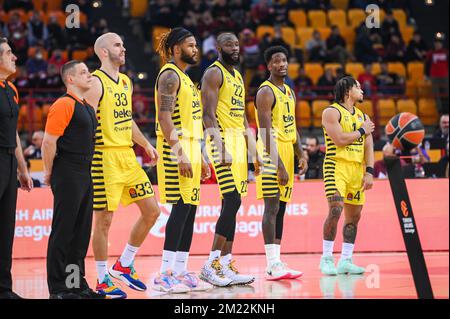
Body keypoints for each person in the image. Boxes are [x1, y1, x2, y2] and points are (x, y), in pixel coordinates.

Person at [84, 33, 161, 299]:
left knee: (152, 211)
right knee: (104, 220)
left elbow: (126, 121)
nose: (124, 48)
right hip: (104, 158)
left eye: (123, 43)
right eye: (118, 44)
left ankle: (124, 264)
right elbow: (86, 122)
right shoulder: (95, 82)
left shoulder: (126, 82)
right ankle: (103, 278)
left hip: (127, 157)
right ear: (103, 52)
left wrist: (146, 144)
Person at [153, 27, 211, 293]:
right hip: (174, 148)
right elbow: (165, 119)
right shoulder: (169, 75)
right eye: (190, 45)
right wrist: (180, 154)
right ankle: (164, 274)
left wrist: (200, 153)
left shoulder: (187, 78)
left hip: (191, 146)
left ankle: (179, 271)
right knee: (179, 208)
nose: (195, 49)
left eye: (196, 45)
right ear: (176, 49)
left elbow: (192, 120)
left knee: (190, 210)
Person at [200, 33, 261, 287]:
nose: (234, 48)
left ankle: (225, 263)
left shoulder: (237, 76)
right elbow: (208, 115)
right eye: (229, 44)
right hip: (222, 142)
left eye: (236, 44)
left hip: (239, 144)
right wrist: (220, 147)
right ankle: (210, 264)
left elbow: (244, 120)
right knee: (233, 199)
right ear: (218, 47)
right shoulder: (214, 73)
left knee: (232, 204)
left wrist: (254, 152)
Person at [42, 60, 103, 299]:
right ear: (70, 79)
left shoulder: (87, 105)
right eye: (84, 73)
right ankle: (58, 289)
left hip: (85, 171)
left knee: (80, 233)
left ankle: (75, 284)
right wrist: (49, 172)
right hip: (67, 171)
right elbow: (49, 142)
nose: (89, 75)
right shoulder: (63, 104)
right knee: (63, 231)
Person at [255, 46, 308, 280]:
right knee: (272, 206)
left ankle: (277, 260)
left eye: (284, 60)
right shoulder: (265, 92)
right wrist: (278, 164)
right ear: (269, 66)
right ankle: (271, 263)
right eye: (276, 61)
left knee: (282, 208)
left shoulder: (289, 91)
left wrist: (301, 153)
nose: (281, 64)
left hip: (287, 148)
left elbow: (292, 126)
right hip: (270, 151)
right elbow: (265, 131)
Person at [319, 76, 375, 276]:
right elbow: (340, 139)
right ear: (347, 90)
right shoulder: (331, 112)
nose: (362, 90)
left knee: (354, 218)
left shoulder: (362, 116)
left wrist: (369, 171)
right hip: (336, 166)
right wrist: (362, 130)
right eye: (358, 87)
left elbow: (369, 146)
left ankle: (345, 260)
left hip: (356, 171)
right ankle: (326, 258)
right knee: (335, 210)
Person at [0, 37, 33, 299]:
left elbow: (14, 134)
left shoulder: (11, 89)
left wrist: (22, 168)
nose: (14, 57)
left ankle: (4, 288)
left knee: (6, 226)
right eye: (8, 53)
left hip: (9, 162)